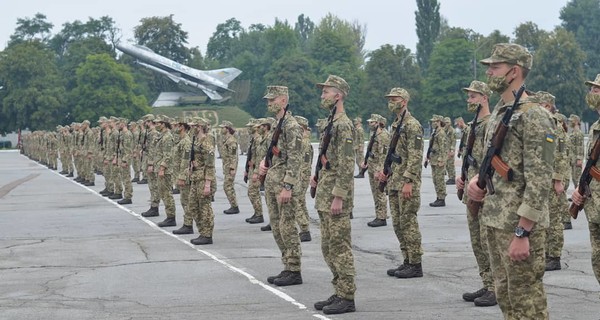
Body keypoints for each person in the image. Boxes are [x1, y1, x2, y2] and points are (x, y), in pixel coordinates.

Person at [467, 43, 554, 319]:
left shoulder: (536, 116)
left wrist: (522, 231)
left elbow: (540, 179)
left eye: (495, 67)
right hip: (495, 221)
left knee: (527, 302)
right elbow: (493, 163)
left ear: (514, 71)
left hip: (517, 226)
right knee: (506, 298)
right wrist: (475, 181)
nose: (489, 72)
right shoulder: (501, 113)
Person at [310, 75, 356, 314]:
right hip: (326, 191)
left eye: (326, 92)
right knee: (328, 247)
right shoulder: (331, 122)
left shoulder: (343, 124)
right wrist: (317, 176)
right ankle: (339, 289)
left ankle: (347, 296)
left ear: (338, 95)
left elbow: (348, 163)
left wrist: (339, 195)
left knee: (339, 246)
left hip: (335, 195)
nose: (322, 96)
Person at [456, 80, 497, 306]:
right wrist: (461, 176)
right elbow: (468, 156)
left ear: (484, 98)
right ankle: (487, 281)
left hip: (485, 192)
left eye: (473, 96)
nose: (469, 100)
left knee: (487, 241)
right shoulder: (472, 126)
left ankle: (495, 287)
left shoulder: (490, 124)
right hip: (471, 191)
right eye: (469, 96)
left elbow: (491, 160)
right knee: (477, 242)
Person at [259, 86, 304, 287]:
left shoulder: (291, 126)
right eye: (268, 100)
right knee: (277, 227)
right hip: (273, 180)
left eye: (273, 100)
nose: (269, 103)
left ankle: (294, 269)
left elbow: (296, 158)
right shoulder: (278, 123)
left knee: (287, 227)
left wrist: (288, 185)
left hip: (283, 184)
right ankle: (287, 265)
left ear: (284, 100)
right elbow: (276, 153)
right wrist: (263, 163)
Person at [378, 87, 425, 279]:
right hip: (394, 181)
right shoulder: (397, 124)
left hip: (406, 183)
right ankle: (407, 259)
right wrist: (385, 172)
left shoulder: (412, 125)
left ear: (404, 101)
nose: (391, 102)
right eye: (389, 99)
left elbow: (415, 156)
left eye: (394, 99)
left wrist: (408, 181)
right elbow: (394, 155)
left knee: (408, 223)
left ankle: (415, 263)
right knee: (398, 224)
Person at [571, 73, 600, 286]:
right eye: (592, 89)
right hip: (594, 203)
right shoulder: (595, 126)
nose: (591, 93)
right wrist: (581, 189)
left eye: (596, 90)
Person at [535, 92, 568, 272]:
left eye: (540, 104)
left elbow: (561, 155)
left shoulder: (556, 125)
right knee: (544, 217)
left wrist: (558, 180)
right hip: (541, 178)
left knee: (554, 219)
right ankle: (546, 252)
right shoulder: (542, 124)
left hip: (552, 179)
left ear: (547, 106)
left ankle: (554, 256)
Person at [187, 117, 218, 245]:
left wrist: (207, 184)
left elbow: (210, 164)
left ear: (199, 127)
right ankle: (202, 231)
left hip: (204, 178)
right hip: (196, 177)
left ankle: (207, 234)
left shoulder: (206, 142)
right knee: (193, 206)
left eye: (193, 125)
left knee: (205, 208)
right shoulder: (196, 140)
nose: (191, 128)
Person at [363, 114, 390, 227]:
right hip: (372, 166)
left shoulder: (382, 135)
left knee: (380, 192)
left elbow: (383, 155)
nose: (370, 124)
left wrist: (379, 170)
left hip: (377, 168)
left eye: (372, 122)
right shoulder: (374, 134)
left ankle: (382, 217)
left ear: (378, 123)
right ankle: (378, 214)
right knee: (375, 192)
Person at [294, 115, 313, 242]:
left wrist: (299, 177)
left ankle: (305, 229)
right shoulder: (301, 140)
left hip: (301, 175)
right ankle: (305, 227)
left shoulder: (304, 143)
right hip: (301, 175)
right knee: (301, 202)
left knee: (296, 202)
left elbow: (305, 163)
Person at [244, 119, 265, 224]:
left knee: (253, 192)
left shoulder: (258, 140)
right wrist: (247, 170)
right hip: (252, 169)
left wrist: (256, 172)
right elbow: (251, 156)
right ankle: (257, 212)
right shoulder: (254, 139)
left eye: (250, 126)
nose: (248, 128)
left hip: (256, 169)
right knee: (252, 192)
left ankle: (259, 214)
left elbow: (259, 156)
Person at [426, 115, 447, 207]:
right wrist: (427, 157)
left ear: (439, 122)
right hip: (433, 159)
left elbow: (443, 147)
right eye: (432, 122)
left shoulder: (441, 133)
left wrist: (442, 159)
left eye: (434, 121)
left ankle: (441, 198)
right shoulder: (435, 132)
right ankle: (438, 197)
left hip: (438, 160)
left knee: (439, 179)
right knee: (435, 179)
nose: (433, 123)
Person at [220, 120, 240, 215]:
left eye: (223, 128)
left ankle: (234, 206)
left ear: (227, 129)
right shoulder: (226, 139)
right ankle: (233, 205)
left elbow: (233, 156)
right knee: (228, 186)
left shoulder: (231, 141)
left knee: (227, 186)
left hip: (230, 168)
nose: (221, 129)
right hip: (226, 167)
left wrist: (232, 168)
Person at [444, 116, 457, 185]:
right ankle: (449, 176)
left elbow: (453, 141)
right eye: (445, 122)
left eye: (448, 122)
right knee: (446, 164)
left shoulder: (452, 131)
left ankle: (452, 177)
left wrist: (452, 150)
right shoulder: (444, 130)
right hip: (445, 150)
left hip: (449, 150)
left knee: (450, 164)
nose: (446, 124)